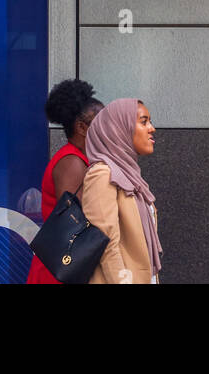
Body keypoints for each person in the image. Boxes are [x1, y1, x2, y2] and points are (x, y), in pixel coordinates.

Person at [26, 78, 105, 285]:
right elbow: (76, 223)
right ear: (81, 127)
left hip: (68, 267)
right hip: (63, 270)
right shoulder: (72, 162)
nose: (109, 127)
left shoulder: (79, 158)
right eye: (103, 121)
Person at [82, 97, 162, 284]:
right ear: (119, 129)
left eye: (150, 121)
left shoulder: (131, 177)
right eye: (144, 122)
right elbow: (105, 244)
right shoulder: (102, 174)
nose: (152, 128)